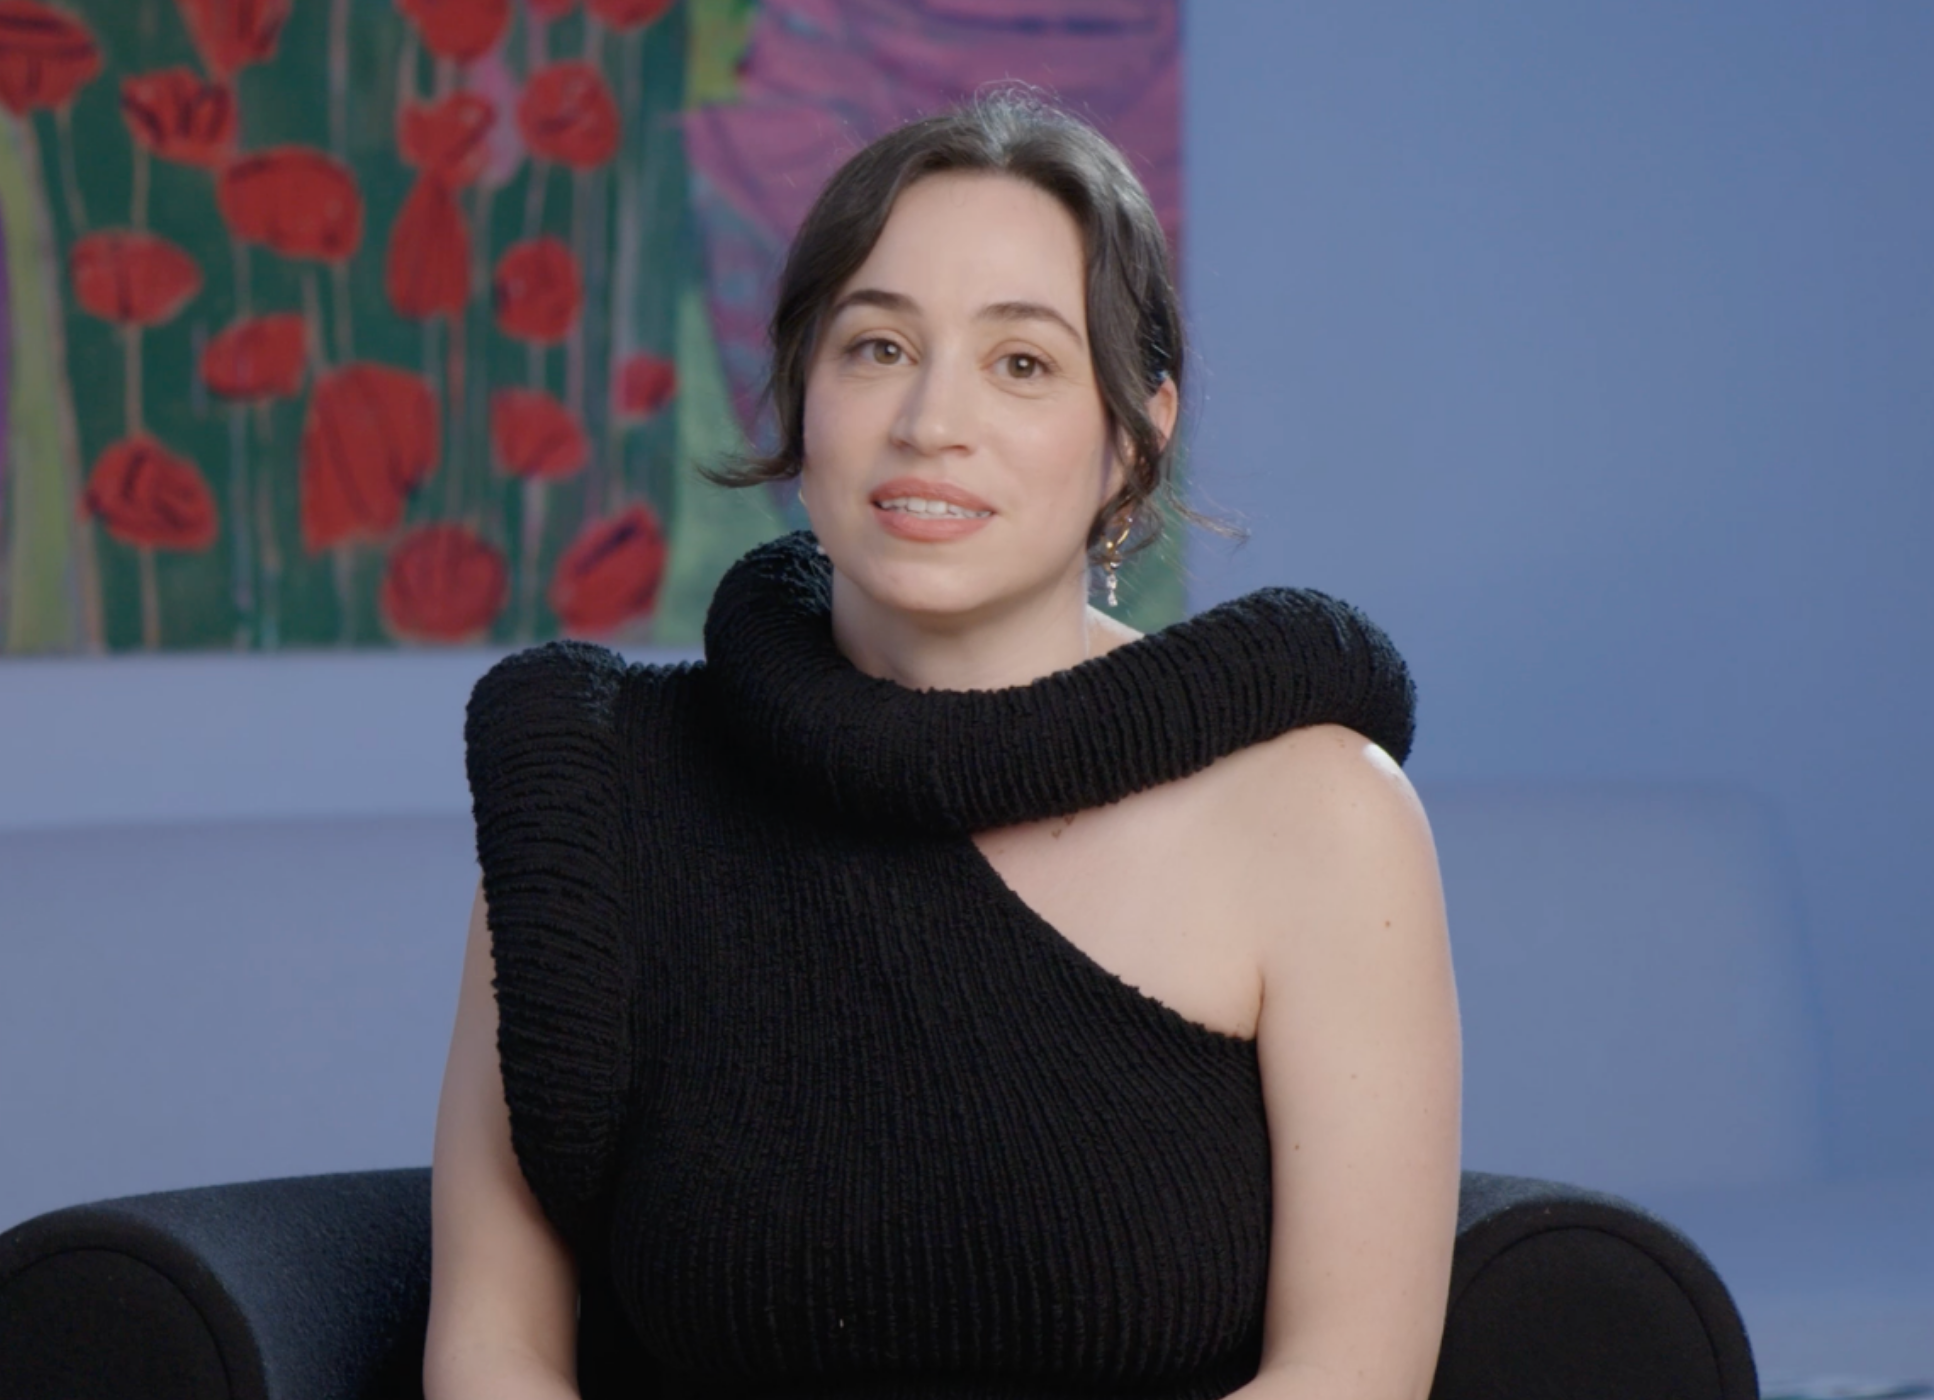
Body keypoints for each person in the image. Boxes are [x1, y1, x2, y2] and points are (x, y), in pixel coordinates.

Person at [425, 89, 1461, 1400]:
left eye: (1021, 362)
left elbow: (1352, 1371)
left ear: (1134, 441)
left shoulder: (1319, 817)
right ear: (802, 398)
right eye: (875, 348)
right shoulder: (592, 790)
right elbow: (492, 1352)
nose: (929, 422)